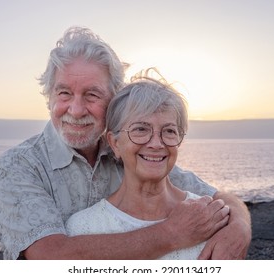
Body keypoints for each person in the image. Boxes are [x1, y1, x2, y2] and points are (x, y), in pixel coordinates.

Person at [0, 26, 251, 260]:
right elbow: (49, 257)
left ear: (114, 99)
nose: (77, 109)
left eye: (92, 94)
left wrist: (240, 225)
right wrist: (172, 233)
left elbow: (216, 196)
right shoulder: (19, 166)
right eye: (64, 93)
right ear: (49, 97)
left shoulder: (130, 150)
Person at [66, 73, 231, 259]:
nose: (156, 144)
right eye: (141, 129)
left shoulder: (209, 219)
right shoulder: (83, 228)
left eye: (169, 131)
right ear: (114, 143)